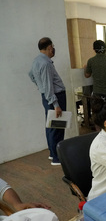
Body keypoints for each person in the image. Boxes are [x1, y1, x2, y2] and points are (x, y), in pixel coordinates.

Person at [29, 37, 66, 166]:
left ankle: (52, 154)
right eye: (52, 47)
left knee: (51, 126)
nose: (53, 49)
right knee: (57, 127)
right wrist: (56, 104)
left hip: (48, 97)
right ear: (50, 47)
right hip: (55, 97)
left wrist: (41, 87)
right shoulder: (45, 63)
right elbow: (49, 86)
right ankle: (57, 158)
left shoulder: (37, 60)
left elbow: (31, 75)